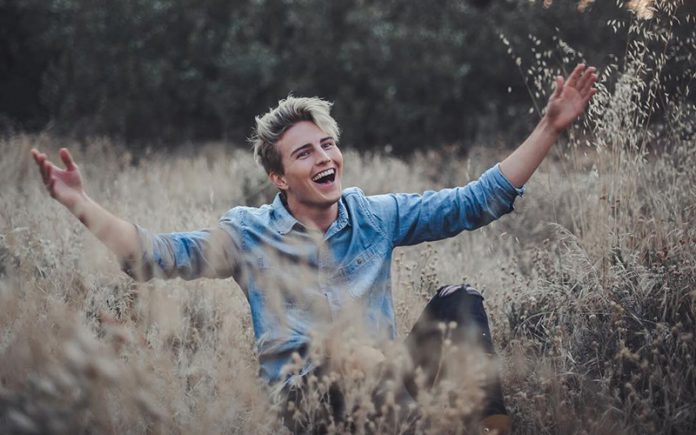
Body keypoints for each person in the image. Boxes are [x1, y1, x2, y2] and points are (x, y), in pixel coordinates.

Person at [32, 64, 597, 434]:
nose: (324, 157)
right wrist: (80, 202)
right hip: (305, 405)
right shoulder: (248, 235)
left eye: (328, 144)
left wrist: (548, 129)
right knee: (340, 353)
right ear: (279, 177)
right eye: (303, 153)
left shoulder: (374, 216)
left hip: (384, 390)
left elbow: (475, 202)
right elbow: (152, 255)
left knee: (459, 300)